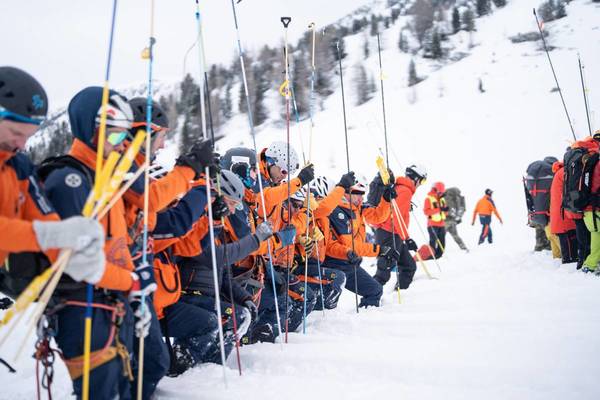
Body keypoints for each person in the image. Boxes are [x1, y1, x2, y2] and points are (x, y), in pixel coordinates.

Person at [42, 87, 139, 399]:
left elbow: (116, 244)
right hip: (82, 307)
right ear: (90, 129)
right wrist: (130, 282)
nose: (122, 144)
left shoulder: (104, 180)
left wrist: (130, 288)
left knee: (121, 388)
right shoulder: (70, 181)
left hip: (110, 304)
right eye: (115, 135)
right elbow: (80, 262)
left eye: (125, 136)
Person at [0, 67, 105, 295]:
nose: (22, 145)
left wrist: (70, 250)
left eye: (28, 136)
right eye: (16, 132)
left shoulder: (18, 166)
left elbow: (43, 215)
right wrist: (47, 236)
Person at [325, 175, 395, 308]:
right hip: (336, 261)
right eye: (357, 193)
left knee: (375, 290)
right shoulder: (337, 211)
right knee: (327, 305)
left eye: (363, 194)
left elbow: (377, 217)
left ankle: (365, 318)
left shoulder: (357, 207)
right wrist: (378, 250)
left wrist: (386, 200)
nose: (361, 198)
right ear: (346, 191)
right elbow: (348, 244)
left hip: (349, 262)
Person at [372, 164, 427, 290]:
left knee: (409, 266)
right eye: (422, 180)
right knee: (383, 273)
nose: (421, 184)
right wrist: (407, 238)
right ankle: (370, 297)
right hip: (389, 234)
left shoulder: (400, 188)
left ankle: (400, 291)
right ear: (416, 178)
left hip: (393, 234)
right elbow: (397, 217)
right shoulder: (405, 191)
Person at [523, 157, 558, 255]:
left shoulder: (534, 175)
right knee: (549, 227)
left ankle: (539, 245)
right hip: (548, 209)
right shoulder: (551, 174)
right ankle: (549, 247)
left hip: (535, 210)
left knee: (539, 227)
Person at [549, 161, 578, 264]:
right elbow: (571, 191)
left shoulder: (559, 173)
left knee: (566, 239)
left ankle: (568, 260)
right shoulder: (564, 172)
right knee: (568, 239)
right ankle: (569, 262)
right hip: (564, 214)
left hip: (559, 214)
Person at [581, 130, 600, 274]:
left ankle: (590, 264)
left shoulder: (588, 162)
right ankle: (591, 265)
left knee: (596, 237)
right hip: (597, 207)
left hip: (588, 209)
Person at [422, 182, 447, 259]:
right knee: (433, 241)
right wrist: (439, 209)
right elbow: (426, 212)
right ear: (435, 190)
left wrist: (445, 210)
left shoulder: (442, 199)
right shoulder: (428, 199)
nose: (441, 194)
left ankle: (439, 255)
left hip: (442, 224)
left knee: (442, 242)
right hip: (432, 224)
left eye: (442, 192)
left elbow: (444, 212)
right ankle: (431, 256)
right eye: (439, 192)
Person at [444, 186, 468, 251]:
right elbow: (462, 209)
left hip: (445, 220)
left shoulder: (446, 197)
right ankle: (463, 247)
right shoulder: (458, 198)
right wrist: (457, 217)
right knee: (455, 235)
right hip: (453, 220)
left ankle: (437, 249)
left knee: (441, 236)